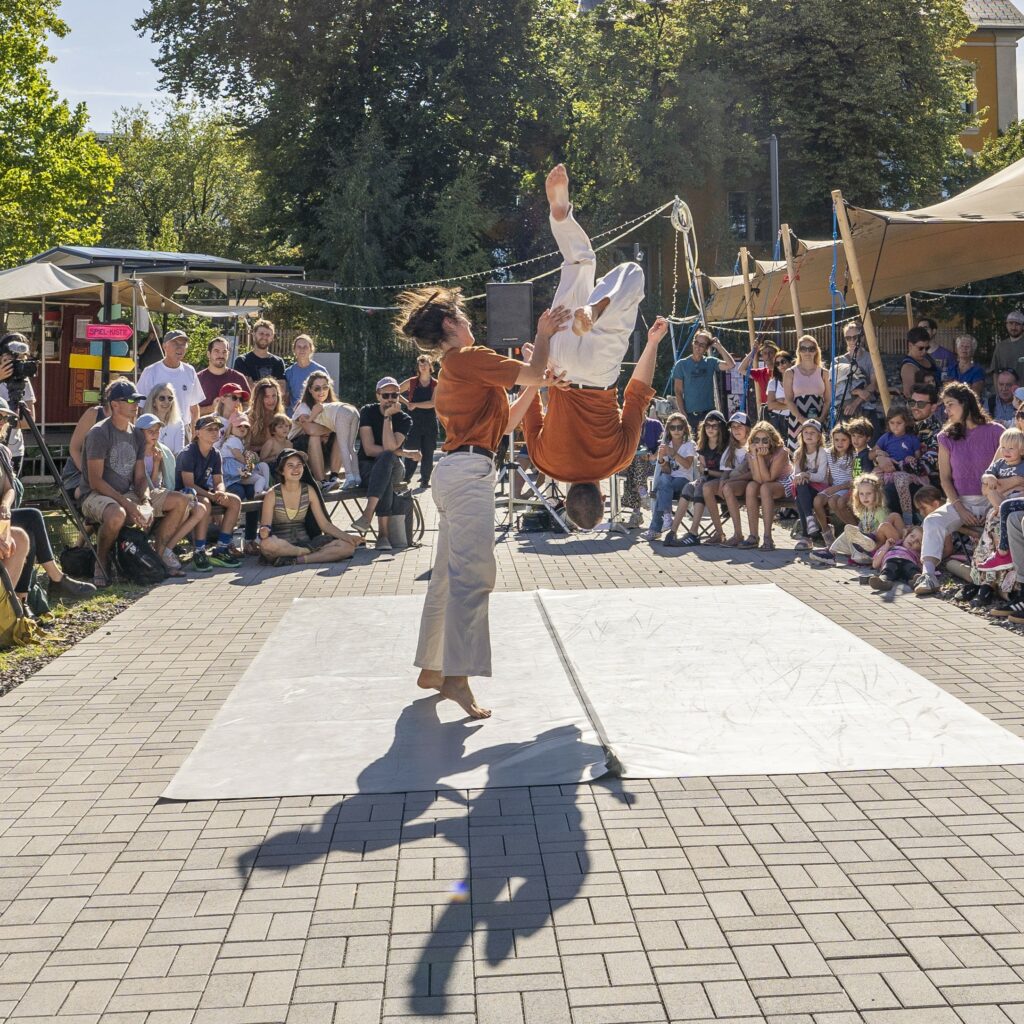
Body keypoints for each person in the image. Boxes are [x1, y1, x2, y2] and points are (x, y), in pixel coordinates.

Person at [395, 284, 564, 720]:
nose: (471, 323)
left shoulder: (456, 368)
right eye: (464, 318)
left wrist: (536, 384)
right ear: (451, 324)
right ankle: (456, 676)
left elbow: (505, 422)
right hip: (468, 476)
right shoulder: (469, 358)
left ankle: (433, 668)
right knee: (473, 577)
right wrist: (543, 334)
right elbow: (533, 371)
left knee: (446, 579)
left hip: (456, 472)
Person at [516, 165, 666, 530]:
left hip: (600, 373)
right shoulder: (544, 462)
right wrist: (539, 353)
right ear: (566, 497)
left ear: (602, 495)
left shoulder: (618, 460)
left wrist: (652, 344)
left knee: (633, 274)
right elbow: (529, 401)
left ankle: (598, 309)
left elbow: (637, 393)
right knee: (579, 263)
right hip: (560, 365)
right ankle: (560, 215)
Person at [915, 382, 1004, 596]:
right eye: (945, 405)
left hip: (993, 500)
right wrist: (960, 509)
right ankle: (928, 575)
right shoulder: (945, 437)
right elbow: (945, 479)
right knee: (932, 521)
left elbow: (1003, 472)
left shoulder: (996, 431)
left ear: (965, 403)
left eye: (950, 404)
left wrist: (993, 506)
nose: (946, 410)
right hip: (960, 501)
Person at [0, 399, 93, 605]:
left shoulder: (2, 451)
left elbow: (9, 488)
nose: (2, 422)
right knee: (30, 522)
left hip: (2, 518)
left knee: (30, 523)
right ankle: (54, 581)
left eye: (5, 418)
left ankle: (22, 600)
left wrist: (5, 505)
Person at [80, 379, 154, 586]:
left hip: (126, 492)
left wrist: (146, 501)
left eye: (137, 400)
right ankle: (101, 561)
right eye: (130, 400)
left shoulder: (138, 435)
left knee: (178, 502)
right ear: (114, 404)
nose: (136, 404)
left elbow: (140, 478)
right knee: (117, 514)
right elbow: (95, 481)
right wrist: (128, 504)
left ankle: (156, 557)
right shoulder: (99, 433)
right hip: (95, 494)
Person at [257, 449, 362, 566]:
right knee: (267, 545)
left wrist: (349, 537)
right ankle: (305, 553)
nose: (296, 469)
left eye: (299, 465)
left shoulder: (309, 490)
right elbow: (265, 528)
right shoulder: (272, 494)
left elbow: (324, 525)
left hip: (306, 542)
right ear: (282, 470)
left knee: (347, 548)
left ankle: (298, 560)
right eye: (290, 466)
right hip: (282, 545)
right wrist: (264, 531)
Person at [136, 412, 209, 576]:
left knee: (200, 509)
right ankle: (160, 555)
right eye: (150, 431)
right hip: (142, 496)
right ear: (140, 433)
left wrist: (156, 464)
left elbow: (158, 485)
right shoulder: (135, 453)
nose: (155, 435)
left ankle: (167, 550)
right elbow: (144, 485)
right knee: (182, 502)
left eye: (157, 431)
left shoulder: (161, 452)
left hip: (158, 493)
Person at [349, 378, 413, 548]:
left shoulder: (405, 419)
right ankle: (383, 536)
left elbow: (390, 448)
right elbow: (369, 449)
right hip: (367, 468)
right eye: (386, 395)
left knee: (387, 459)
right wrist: (403, 453)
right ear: (378, 395)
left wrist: (387, 417)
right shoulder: (368, 411)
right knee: (384, 473)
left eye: (395, 395)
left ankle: (368, 514)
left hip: (394, 468)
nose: (390, 399)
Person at [174, 415, 243, 569]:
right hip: (184, 494)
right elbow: (188, 484)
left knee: (235, 501)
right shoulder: (188, 453)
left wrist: (220, 491)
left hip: (204, 491)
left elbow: (219, 481)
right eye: (209, 429)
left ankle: (221, 548)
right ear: (198, 432)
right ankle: (199, 551)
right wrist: (211, 495)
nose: (214, 432)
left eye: (217, 429)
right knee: (205, 503)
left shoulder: (215, 453)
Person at [664, 410, 729, 547]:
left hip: (723, 481)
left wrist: (706, 472)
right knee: (689, 487)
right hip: (708, 479)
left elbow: (726, 473)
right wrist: (704, 475)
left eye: (714, 426)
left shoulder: (726, 446)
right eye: (707, 425)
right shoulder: (703, 445)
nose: (710, 429)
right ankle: (672, 531)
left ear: (721, 427)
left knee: (700, 487)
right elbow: (703, 470)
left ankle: (693, 533)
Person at [811, 473, 903, 566]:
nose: (865, 497)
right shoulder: (863, 511)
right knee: (848, 531)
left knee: (859, 534)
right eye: (861, 494)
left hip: (876, 544)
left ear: (877, 494)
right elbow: (862, 527)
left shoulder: (880, 511)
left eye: (869, 493)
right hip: (863, 545)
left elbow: (883, 532)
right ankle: (831, 553)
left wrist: (868, 536)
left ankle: (865, 548)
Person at [136, 329, 203, 437]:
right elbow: (140, 406)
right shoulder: (150, 371)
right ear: (164, 346)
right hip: (155, 430)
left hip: (183, 430)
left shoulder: (190, 371)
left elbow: (194, 407)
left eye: (183, 344)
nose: (180, 347)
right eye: (175, 343)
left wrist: (195, 433)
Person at [219, 412, 269, 555]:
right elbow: (238, 457)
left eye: (245, 427)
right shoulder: (233, 440)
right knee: (238, 494)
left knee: (252, 493)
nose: (242, 429)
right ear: (231, 427)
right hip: (230, 475)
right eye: (239, 426)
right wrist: (249, 465)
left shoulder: (239, 442)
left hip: (239, 474)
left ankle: (249, 540)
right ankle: (228, 542)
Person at [672, 330, 737, 432]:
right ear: (693, 343)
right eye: (696, 343)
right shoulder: (681, 364)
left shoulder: (711, 362)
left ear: (706, 348)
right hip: (690, 415)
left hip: (709, 415)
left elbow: (731, 365)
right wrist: (683, 414)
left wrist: (719, 347)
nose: (698, 347)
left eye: (702, 345)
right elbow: (678, 391)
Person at [742, 420, 793, 551]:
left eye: (765, 440)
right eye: (757, 440)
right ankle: (753, 536)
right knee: (751, 487)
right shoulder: (751, 453)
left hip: (785, 481)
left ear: (772, 440)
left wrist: (759, 458)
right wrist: (756, 456)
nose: (760, 444)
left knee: (765, 488)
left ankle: (768, 537)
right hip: (765, 483)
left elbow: (769, 479)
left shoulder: (781, 452)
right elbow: (757, 479)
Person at [870, 407, 927, 524]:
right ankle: (873, 515)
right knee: (871, 482)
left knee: (900, 481)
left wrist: (912, 459)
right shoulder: (886, 437)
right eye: (892, 423)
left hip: (903, 470)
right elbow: (871, 454)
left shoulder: (912, 439)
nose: (895, 426)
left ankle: (907, 519)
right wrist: (879, 453)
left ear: (906, 423)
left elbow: (918, 459)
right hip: (886, 468)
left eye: (899, 423)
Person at [645, 412, 697, 540]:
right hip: (669, 482)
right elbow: (667, 470)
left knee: (661, 487)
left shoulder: (689, 444)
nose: (676, 430)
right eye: (673, 427)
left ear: (685, 428)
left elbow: (687, 465)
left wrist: (672, 453)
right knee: (663, 480)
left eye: (679, 427)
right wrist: (661, 459)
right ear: (668, 429)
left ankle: (656, 528)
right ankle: (667, 516)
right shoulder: (667, 444)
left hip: (684, 481)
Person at [706, 412, 751, 545]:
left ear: (747, 428)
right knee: (707, 488)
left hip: (749, 482)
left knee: (728, 488)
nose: (736, 430)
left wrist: (728, 481)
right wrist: (721, 482)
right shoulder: (731, 447)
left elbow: (753, 474)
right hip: (733, 480)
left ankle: (738, 534)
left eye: (739, 426)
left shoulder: (752, 445)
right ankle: (719, 533)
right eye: (733, 427)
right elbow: (726, 471)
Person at [289, 371, 342, 483]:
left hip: (323, 452)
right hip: (299, 452)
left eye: (325, 387)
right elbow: (310, 430)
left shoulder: (333, 406)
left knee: (340, 435)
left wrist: (331, 430)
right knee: (314, 436)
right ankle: (321, 481)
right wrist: (333, 428)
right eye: (317, 388)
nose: (322, 392)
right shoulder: (303, 407)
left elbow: (344, 426)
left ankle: (334, 476)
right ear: (310, 390)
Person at [783, 335, 831, 450]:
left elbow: (828, 400)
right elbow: (789, 400)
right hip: (797, 419)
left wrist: (821, 419)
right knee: (798, 453)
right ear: (798, 351)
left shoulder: (824, 373)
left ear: (816, 351)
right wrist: (801, 419)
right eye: (803, 349)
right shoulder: (790, 373)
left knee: (820, 452)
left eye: (811, 349)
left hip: (819, 417)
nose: (807, 352)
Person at [621, 403, 663, 529]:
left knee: (637, 463)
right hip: (633, 464)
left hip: (652, 464)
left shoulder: (655, 424)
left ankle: (637, 512)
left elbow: (664, 442)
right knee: (634, 463)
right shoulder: (628, 426)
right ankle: (643, 494)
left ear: (645, 408)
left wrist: (654, 456)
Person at [812, 423, 856, 545]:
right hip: (834, 487)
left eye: (843, 440)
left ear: (850, 440)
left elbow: (854, 480)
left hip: (846, 487)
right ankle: (826, 532)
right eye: (836, 440)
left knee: (833, 502)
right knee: (817, 501)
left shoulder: (853, 455)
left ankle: (856, 530)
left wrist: (837, 488)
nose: (839, 443)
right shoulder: (828, 453)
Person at [0, 333, 37, 476]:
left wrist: (7, 421)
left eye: (21, 358)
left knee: (12, 487)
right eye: (10, 359)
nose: (15, 363)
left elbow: (29, 421)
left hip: (14, 451)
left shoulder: (23, 380)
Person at [401, 355, 439, 488]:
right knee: (411, 450)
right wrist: (407, 403)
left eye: (425, 364)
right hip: (413, 423)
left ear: (430, 366)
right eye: (420, 364)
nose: (423, 367)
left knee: (428, 452)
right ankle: (405, 479)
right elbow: (395, 391)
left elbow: (432, 403)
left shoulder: (436, 384)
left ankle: (425, 480)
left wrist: (415, 404)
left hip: (430, 423)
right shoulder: (412, 382)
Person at [792, 419, 830, 548]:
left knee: (800, 496)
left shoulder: (822, 452)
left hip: (820, 489)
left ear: (819, 436)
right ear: (801, 435)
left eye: (813, 432)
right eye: (806, 432)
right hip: (804, 489)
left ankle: (806, 536)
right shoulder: (798, 453)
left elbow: (821, 477)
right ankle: (810, 521)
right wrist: (801, 476)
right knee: (800, 489)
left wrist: (806, 475)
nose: (809, 435)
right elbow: (796, 476)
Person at [832, 322, 877, 421]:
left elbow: (874, 384)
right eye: (848, 338)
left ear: (862, 338)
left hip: (866, 408)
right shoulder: (837, 361)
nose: (852, 341)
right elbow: (836, 389)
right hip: (843, 409)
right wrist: (857, 392)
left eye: (855, 337)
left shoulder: (871, 358)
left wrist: (856, 402)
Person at [197, 336, 249, 413]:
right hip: (206, 421)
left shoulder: (239, 378)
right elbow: (189, 410)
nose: (221, 355)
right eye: (216, 351)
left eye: (224, 352)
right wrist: (211, 408)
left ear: (228, 354)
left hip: (233, 420)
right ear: (208, 354)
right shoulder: (197, 379)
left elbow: (248, 405)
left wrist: (236, 409)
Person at [234, 319, 286, 390]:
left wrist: (253, 384)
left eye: (268, 335)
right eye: (261, 334)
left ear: (272, 337)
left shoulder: (278, 362)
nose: (264, 337)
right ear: (254, 334)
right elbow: (244, 388)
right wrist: (273, 388)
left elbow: (282, 390)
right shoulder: (242, 361)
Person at [868, 526, 924, 592]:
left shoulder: (917, 554)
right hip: (891, 560)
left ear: (920, 548)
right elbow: (875, 564)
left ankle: (917, 580)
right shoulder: (891, 545)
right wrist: (886, 546)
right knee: (888, 568)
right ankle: (883, 581)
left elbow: (922, 566)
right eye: (912, 536)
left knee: (911, 569)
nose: (913, 540)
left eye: (918, 542)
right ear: (906, 536)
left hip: (908, 562)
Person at [283, 334, 328, 415]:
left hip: (316, 415)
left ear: (311, 349)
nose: (302, 349)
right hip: (294, 416)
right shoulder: (289, 372)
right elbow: (286, 399)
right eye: (299, 347)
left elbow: (327, 396)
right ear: (294, 350)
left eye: (305, 347)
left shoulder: (321, 370)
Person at [735, 338, 778, 417]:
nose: (768, 356)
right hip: (766, 411)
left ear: (776, 354)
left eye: (771, 352)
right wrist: (753, 352)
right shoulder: (761, 373)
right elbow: (741, 369)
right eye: (765, 353)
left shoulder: (783, 371)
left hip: (780, 409)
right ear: (762, 356)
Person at [142, 383, 187, 455]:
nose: (167, 402)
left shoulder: (178, 423)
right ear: (153, 402)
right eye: (162, 398)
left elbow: (179, 454)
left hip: (172, 462)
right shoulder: (144, 423)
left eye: (170, 398)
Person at [900, 326, 943, 400]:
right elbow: (909, 394)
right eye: (920, 348)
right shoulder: (909, 367)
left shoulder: (927, 357)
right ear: (910, 345)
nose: (924, 351)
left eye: (927, 348)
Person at [248, 377, 287, 450]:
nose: (271, 400)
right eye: (266, 397)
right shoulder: (249, 418)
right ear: (259, 398)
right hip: (255, 455)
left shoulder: (280, 417)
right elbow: (244, 447)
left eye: (274, 396)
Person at [989, 309, 1024, 384]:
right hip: (1005, 390)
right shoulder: (1000, 346)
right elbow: (995, 372)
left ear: (1023, 326)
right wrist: (998, 390)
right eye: (1011, 323)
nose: (1013, 327)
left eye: (1017, 324)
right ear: (1006, 325)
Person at [917, 317, 956, 381]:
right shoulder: (916, 354)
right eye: (919, 329)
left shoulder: (947, 354)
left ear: (934, 331)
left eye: (925, 328)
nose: (922, 331)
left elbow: (953, 378)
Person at [952, 334, 985, 399]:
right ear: (957, 349)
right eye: (961, 346)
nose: (964, 349)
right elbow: (945, 389)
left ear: (973, 351)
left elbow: (975, 394)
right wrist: (967, 386)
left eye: (967, 347)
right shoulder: (951, 368)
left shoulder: (978, 370)